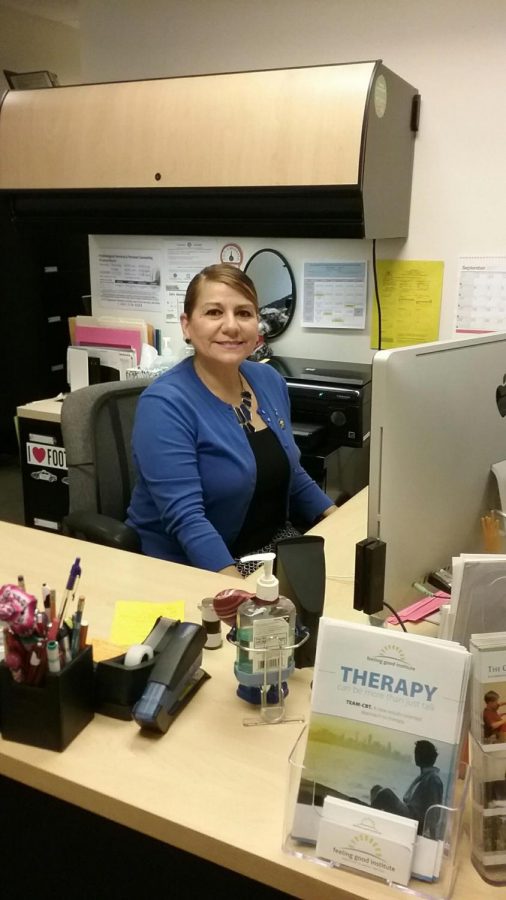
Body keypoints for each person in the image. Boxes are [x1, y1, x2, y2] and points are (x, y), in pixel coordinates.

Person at [126, 263, 336, 576]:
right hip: (190, 565)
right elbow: (186, 519)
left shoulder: (268, 380)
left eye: (243, 313)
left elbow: (292, 472)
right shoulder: (165, 404)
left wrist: (339, 524)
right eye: (213, 313)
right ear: (187, 325)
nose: (231, 326)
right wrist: (237, 594)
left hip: (267, 549)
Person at [370, 740, 444, 836]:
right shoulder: (425, 776)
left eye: (418, 753)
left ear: (423, 755)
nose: (415, 755)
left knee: (386, 794)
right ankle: (373, 813)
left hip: (415, 821)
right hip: (410, 813)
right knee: (376, 788)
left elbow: (434, 812)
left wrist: (432, 837)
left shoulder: (433, 779)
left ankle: (370, 818)